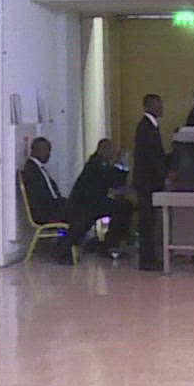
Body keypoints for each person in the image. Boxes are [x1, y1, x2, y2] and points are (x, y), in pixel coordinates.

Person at [64, 138, 135, 259]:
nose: (112, 154)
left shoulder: (102, 164)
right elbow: (112, 181)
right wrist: (120, 166)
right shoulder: (95, 165)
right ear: (102, 150)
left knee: (124, 206)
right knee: (123, 207)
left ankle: (113, 241)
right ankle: (111, 243)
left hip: (94, 202)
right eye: (110, 151)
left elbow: (115, 181)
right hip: (86, 204)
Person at [132, 93, 168, 271]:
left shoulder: (150, 127)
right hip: (147, 183)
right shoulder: (146, 128)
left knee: (150, 221)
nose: (160, 107)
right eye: (156, 104)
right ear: (147, 107)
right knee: (147, 222)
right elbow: (152, 157)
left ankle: (150, 257)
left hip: (148, 182)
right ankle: (147, 259)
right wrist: (165, 173)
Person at [20, 136, 65, 227]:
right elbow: (42, 198)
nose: (48, 154)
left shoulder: (38, 169)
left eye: (49, 151)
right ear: (35, 150)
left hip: (50, 208)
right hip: (44, 214)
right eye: (45, 150)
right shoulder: (32, 171)